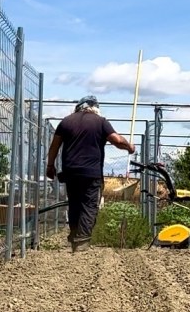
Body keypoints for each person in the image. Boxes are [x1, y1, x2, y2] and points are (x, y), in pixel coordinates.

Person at [45, 95, 135, 251]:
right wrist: (129, 147)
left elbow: (54, 147)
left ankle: (74, 236)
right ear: (95, 108)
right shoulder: (100, 122)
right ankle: (81, 241)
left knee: (74, 204)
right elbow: (117, 140)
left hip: (70, 172)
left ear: (79, 107)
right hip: (91, 173)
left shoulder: (66, 121)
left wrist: (50, 166)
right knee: (89, 205)